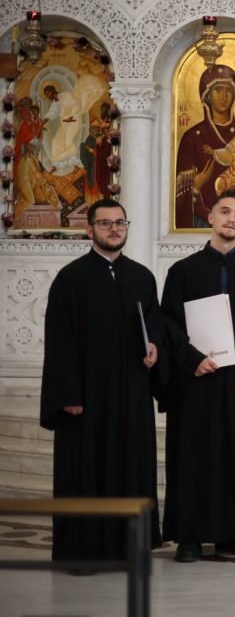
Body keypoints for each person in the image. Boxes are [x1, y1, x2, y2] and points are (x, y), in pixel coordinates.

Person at [40, 198, 162, 565]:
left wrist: (155, 348)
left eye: (120, 223)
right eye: (106, 223)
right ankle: (82, 552)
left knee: (131, 468)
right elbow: (60, 341)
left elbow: (154, 328)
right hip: (87, 398)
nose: (114, 229)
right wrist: (68, 394)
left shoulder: (142, 276)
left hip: (131, 395)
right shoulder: (71, 278)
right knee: (85, 472)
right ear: (89, 229)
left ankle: (130, 548)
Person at [161, 189, 235, 562]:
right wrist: (191, 359)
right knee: (197, 455)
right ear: (209, 218)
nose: (232, 218)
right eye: (225, 212)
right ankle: (191, 537)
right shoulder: (183, 272)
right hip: (198, 380)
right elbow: (169, 326)